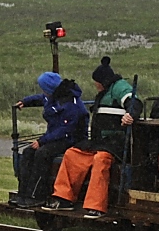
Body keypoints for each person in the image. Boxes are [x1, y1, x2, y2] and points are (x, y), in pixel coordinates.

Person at [43, 56, 142, 219]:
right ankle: (63, 198)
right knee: (72, 154)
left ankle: (96, 206)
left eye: (96, 82)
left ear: (102, 81)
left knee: (100, 160)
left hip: (116, 143)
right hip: (100, 142)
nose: (95, 85)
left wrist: (131, 114)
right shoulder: (105, 92)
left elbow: (134, 102)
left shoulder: (119, 87)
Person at [12, 72, 88, 208]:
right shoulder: (52, 96)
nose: (42, 92)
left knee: (42, 153)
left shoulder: (71, 104)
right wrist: (26, 101)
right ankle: (23, 194)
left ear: (49, 89)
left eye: (43, 89)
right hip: (55, 136)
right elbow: (41, 99)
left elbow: (65, 130)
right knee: (28, 152)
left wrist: (42, 141)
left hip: (71, 139)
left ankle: (37, 195)